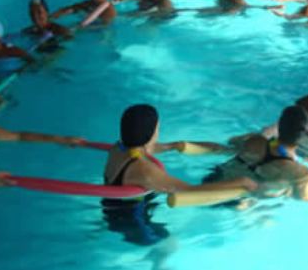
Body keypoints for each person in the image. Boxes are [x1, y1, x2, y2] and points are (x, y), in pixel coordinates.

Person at [101, 104, 256, 245]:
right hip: (135, 225)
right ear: (152, 133)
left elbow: (161, 147)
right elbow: (190, 190)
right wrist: (241, 181)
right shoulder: (145, 171)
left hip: (114, 209)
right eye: (158, 128)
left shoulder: (119, 148)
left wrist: (224, 150)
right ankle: (158, 266)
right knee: (171, 243)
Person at [206, 106, 308, 201]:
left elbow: (231, 142)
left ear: (280, 126)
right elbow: (304, 197)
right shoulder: (299, 172)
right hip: (234, 200)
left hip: (213, 179)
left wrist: (262, 136)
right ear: (305, 137)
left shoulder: (253, 139)